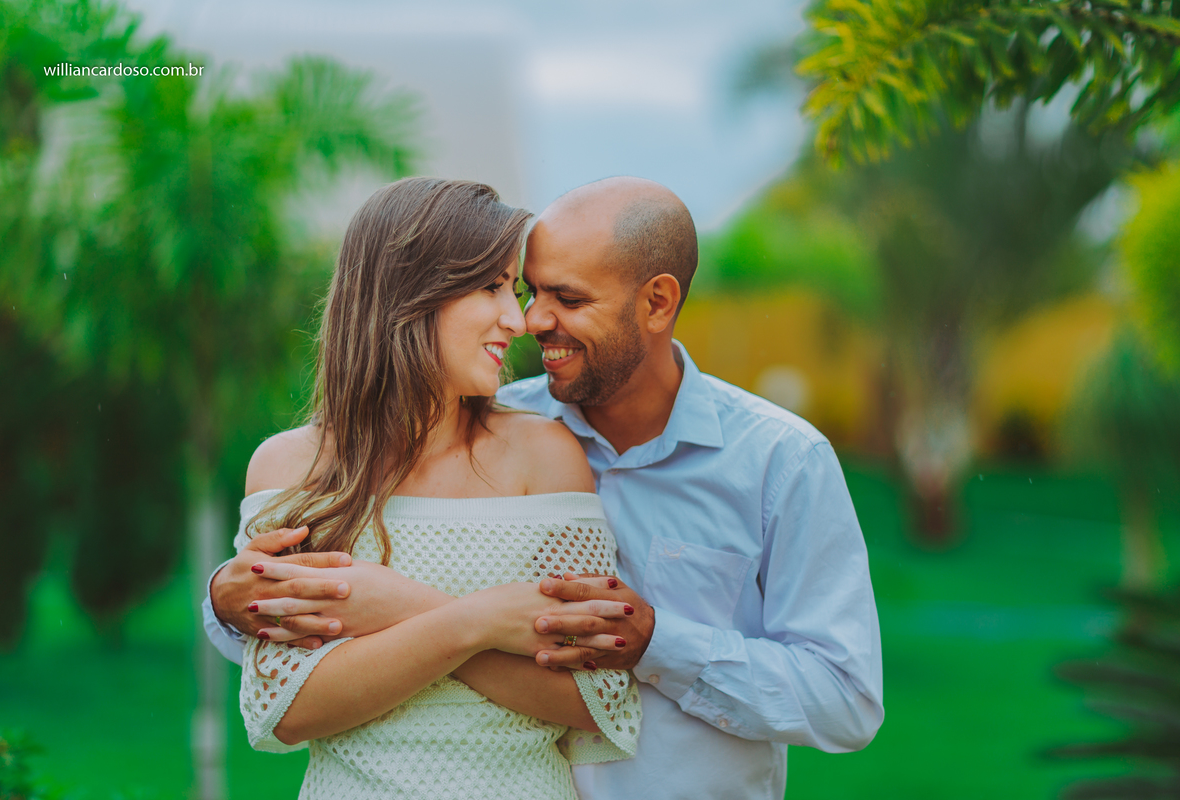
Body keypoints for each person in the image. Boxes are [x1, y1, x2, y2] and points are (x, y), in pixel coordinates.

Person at [206, 176, 884, 799]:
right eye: (524, 291)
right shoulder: (508, 421)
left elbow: (845, 698)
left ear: (657, 302)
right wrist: (223, 601)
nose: (528, 321)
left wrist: (657, 643)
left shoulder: (777, 461)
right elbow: (289, 656)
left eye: (567, 298)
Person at [229, 176, 640, 799]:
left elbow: (593, 698)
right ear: (408, 295)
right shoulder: (290, 470)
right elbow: (286, 710)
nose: (519, 319)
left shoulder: (544, 457)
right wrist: (478, 622)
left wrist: (394, 606)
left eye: (516, 289)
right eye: (492, 287)